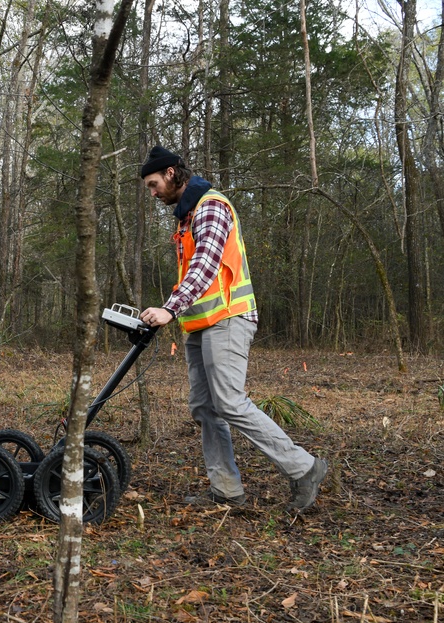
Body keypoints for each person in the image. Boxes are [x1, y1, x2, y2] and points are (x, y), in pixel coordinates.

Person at [136, 145, 327, 512]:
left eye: (153, 183)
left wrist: (168, 309)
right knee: (205, 407)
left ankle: (304, 468)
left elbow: (206, 264)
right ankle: (225, 491)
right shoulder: (186, 218)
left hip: (228, 319)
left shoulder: (211, 205)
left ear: (173, 173)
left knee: (229, 401)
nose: (153, 192)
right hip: (201, 325)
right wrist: (173, 312)